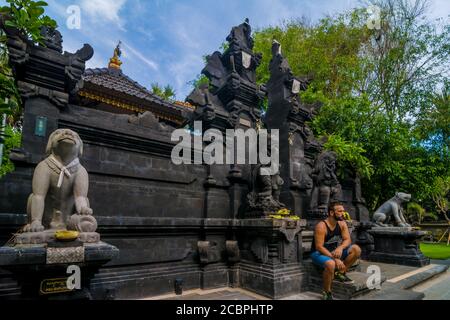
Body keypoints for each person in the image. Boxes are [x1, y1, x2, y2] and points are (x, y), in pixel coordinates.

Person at [311, 202, 362, 300]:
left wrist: (340, 248)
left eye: (343, 211)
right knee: (331, 264)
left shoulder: (342, 223)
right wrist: (335, 259)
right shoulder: (321, 226)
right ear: (331, 213)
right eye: (340, 211)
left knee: (356, 249)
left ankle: (340, 273)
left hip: (334, 251)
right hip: (319, 253)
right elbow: (319, 247)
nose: (343, 213)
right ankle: (327, 292)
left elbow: (347, 240)